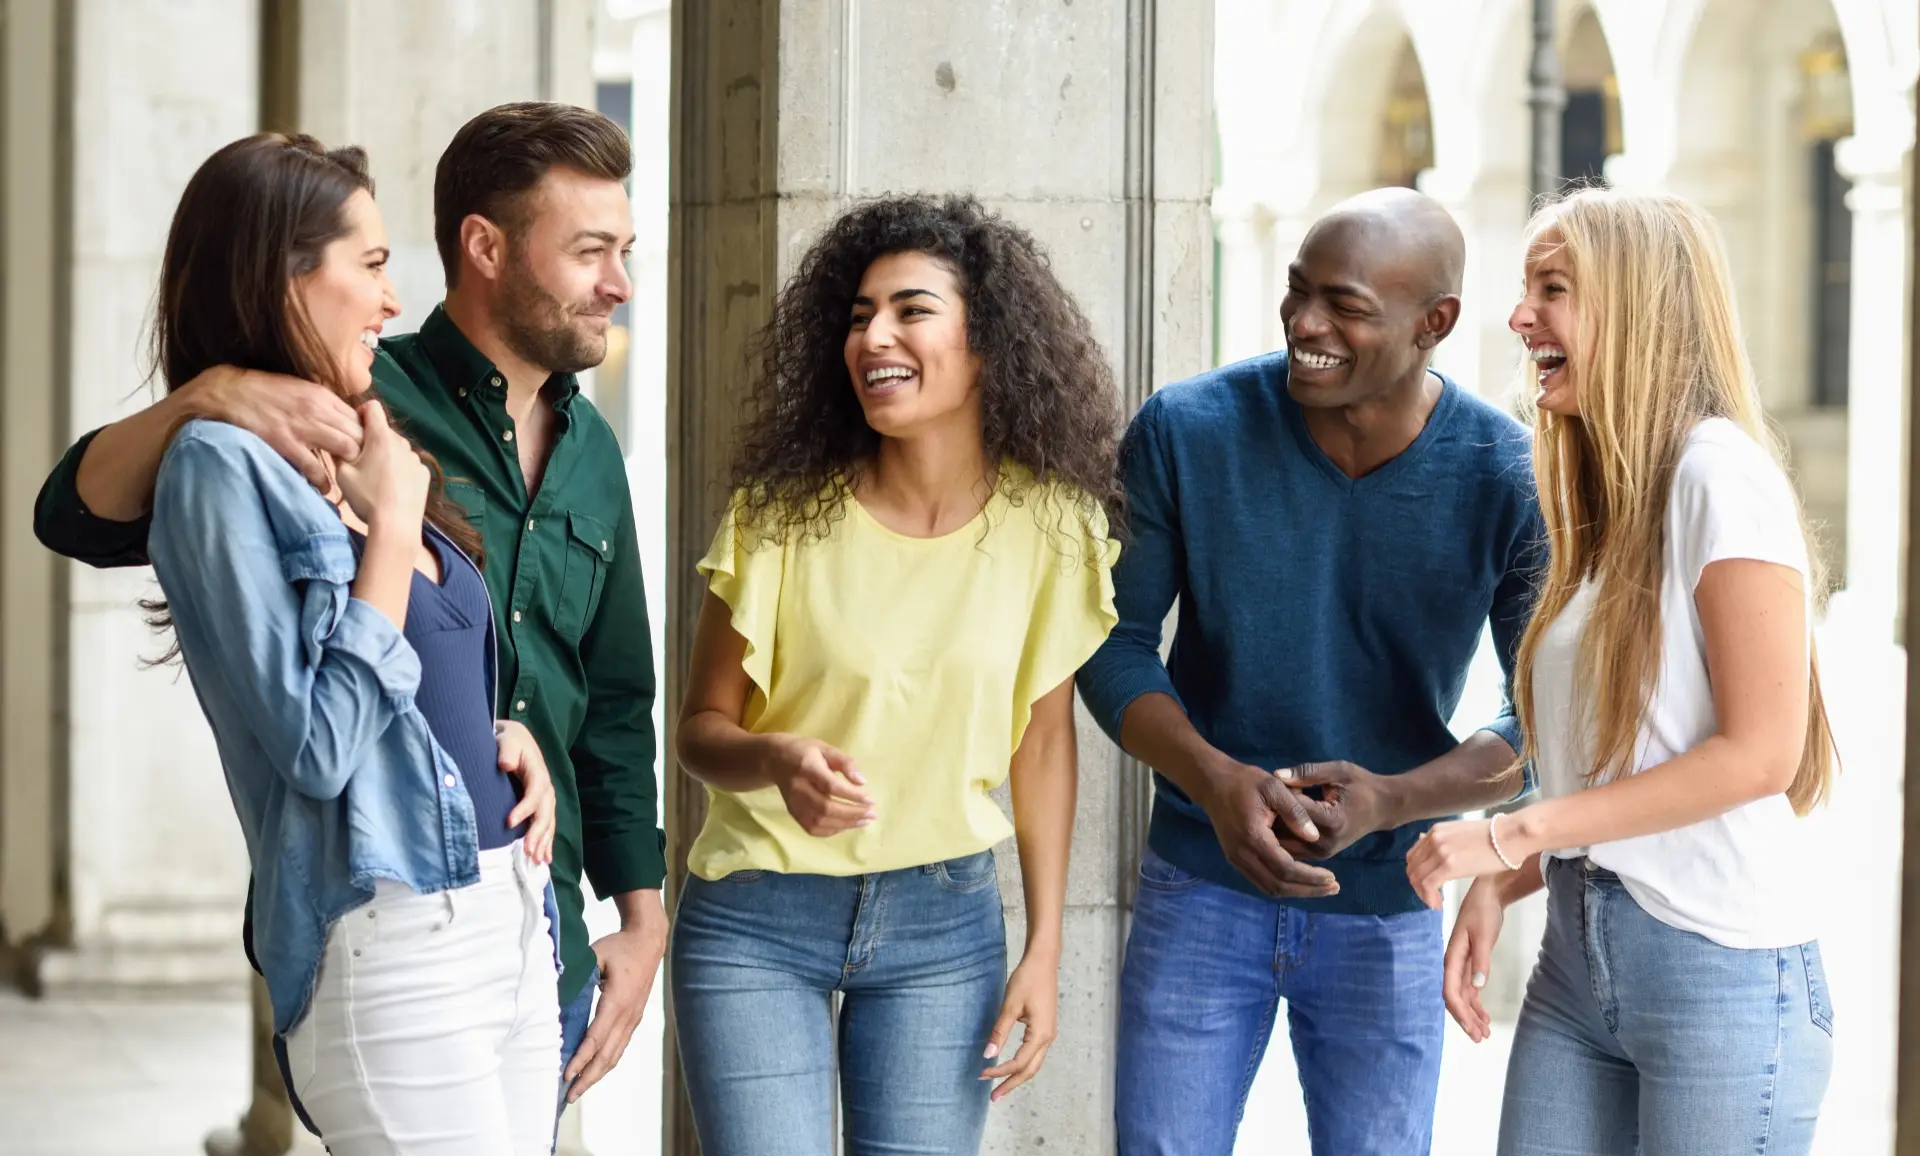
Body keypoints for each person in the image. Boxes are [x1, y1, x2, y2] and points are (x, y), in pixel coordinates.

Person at [33, 103, 665, 1118]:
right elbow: (74, 513)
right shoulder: (346, 408)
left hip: (526, 919)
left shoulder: (591, 452)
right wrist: (210, 392)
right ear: (487, 246)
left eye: (623, 251)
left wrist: (637, 910)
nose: (620, 284)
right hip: (394, 917)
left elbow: (614, 699)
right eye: (591, 251)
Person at [1076, 187, 1545, 1156]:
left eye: (1344, 306)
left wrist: (1395, 799)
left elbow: (1541, 721)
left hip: (1388, 909)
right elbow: (1109, 640)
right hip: (1198, 888)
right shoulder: (1185, 430)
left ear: (1435, 323)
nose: (1305, 324)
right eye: (1297, 293)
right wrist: (1215, 779)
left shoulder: (1509, 476)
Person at [670, 195, 1122, 1155]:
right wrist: (778, 760)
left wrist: (1044, 949)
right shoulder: (780, 516)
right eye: (859, 314)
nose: (874, 334)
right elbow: (701, 729)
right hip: (758, 915)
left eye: (911, 310)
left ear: (987, 342)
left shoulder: (1054, 529)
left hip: (943, 927)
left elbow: (1042, 746)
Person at [141, 132, 561, 1154]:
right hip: (394, 941)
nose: (389, 299)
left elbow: (428, 664)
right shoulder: (214, 468)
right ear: (282, 274)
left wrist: (509, 737)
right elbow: (318, 746)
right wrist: (397, 531)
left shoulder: (351, 439)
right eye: (369, 266)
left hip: (506, 916)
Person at [1408, 189, 1837, 1156]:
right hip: (1578, 962)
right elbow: (1615, 759)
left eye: (1552, 290)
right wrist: (1509, 878)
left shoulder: (1720, 478)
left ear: (1634, 307)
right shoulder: (1612, 501)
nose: (1520, 318)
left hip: (1720, 983)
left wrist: (1512, 833)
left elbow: (1762, 754)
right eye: (1525, 290)